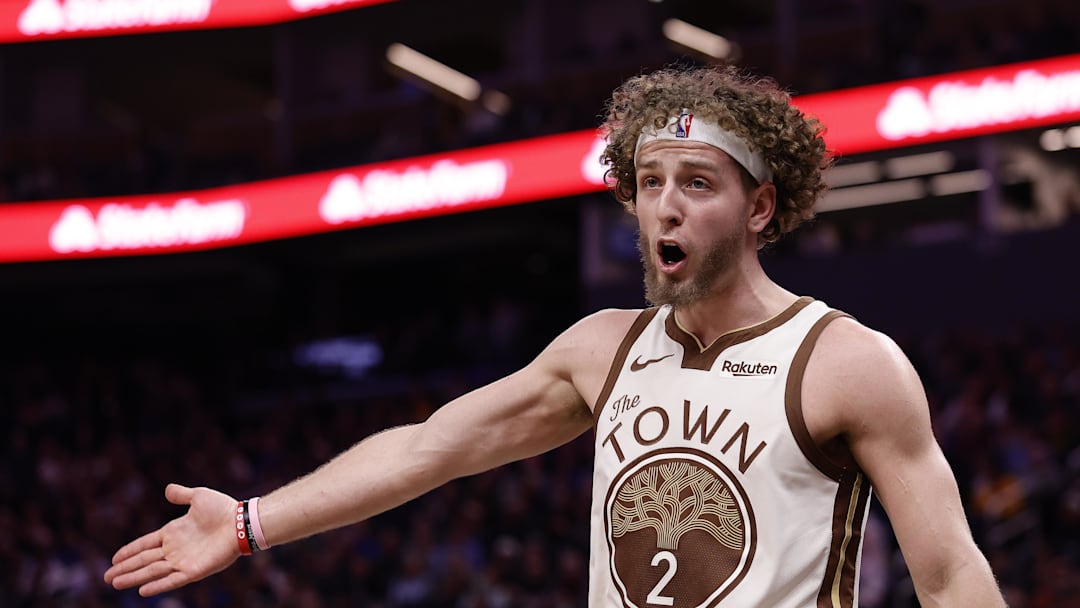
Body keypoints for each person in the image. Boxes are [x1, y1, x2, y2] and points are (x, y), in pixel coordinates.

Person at [104, 64, 1007, 607]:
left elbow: (951, 576)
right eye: (651, 181)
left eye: (698, 182)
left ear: (760, 206)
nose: (665, 203)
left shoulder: (848, 362)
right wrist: (254, 523)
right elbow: (429, 449)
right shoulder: (600, 349)